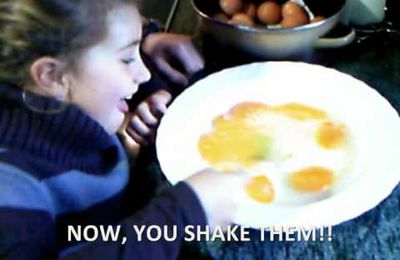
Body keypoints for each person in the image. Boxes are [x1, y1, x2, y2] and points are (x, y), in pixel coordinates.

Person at [0, 0, 245, 259]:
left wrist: (145, 92)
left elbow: (102, 42)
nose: (144, 74)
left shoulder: (62, 102)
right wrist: (181, 216)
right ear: (52, 75)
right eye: (127, 59)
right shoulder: (11, 191)